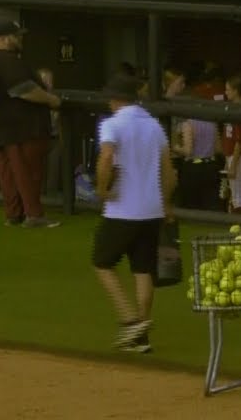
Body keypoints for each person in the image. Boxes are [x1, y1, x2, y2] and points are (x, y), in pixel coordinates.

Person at [93, 74, 177, 353]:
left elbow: (106, 159)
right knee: (143, 269)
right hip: (151, 210)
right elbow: (168, 171)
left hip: (122, 210)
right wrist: (165, 204)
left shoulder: (112, 125)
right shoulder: (154, 125)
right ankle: (141, 336)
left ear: (117, 99)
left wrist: (102, 190)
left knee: (102, 263)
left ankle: (130, 320)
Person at [0, 20, 62, 228]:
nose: (20, 39)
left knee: (9, 175)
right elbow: (24, 90)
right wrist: (52, 100)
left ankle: (14, 214)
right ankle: (33, 215)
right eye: (16, 36)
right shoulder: (7, 61)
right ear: (4, 38)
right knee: (28, 174)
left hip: (1, 128)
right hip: (21, 129)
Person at [221, 74, 241, 214]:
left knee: (240, 193)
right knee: (235, 193)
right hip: (232, 156)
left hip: (240, 157)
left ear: (236, 91)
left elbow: (240, 142)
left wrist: (233, 165)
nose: (226, 92)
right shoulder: (232, 108)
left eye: (228, 90)